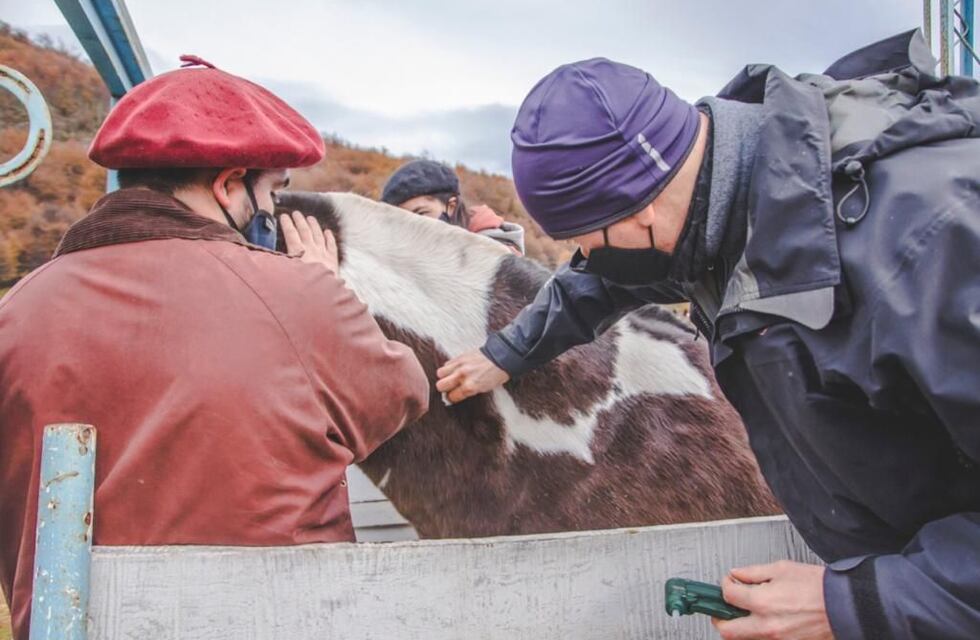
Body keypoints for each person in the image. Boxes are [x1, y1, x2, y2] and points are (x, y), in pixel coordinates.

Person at [436, 31, 980, 639]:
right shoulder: (724, 201)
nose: (581, 259)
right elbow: (600, 283)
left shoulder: (930, 247)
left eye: (583, 240)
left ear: (638, 212)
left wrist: (860, 603)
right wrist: (503, 353)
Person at [0, 56, 429, 640]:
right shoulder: (300, 296)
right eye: (272, 191)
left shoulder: (15, 311)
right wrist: (325, 289)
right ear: (228, 185)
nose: (275, 212)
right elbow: (400, 396)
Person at [381, 159, 525, 254]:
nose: (412, 225)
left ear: (451, 206)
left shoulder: (495, 252)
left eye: (421, 214)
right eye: (402, 219)